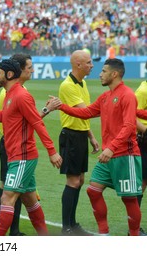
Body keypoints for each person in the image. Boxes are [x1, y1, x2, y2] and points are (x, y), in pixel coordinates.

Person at [0, 58, 62, 236]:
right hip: (16, 155)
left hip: (22, 156)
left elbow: (37, 122)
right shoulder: (10, 94)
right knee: (30, 201)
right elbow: (7, 117)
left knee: (7, 198)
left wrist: (52, 152)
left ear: (9, 74)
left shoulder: (21, 95)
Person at [54, 58, 142, 236]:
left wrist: (111, 148)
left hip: (126, 155)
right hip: (109, 156)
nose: (100, 74)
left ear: (114, 74)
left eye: (103, 71)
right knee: (93, 190)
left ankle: (134, 236)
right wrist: (61, 106)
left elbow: (129, 126)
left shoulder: (127, 95)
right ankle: (104, 234)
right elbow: (86, 112)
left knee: (129, 198)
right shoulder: (105, 96)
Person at [0, 53, 58, 236]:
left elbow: (30, 121)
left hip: (20, 150)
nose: (32, 70)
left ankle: (9, 235)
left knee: (12, 195)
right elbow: (21, 120)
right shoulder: (10, 93)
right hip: (11, 146)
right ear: (18, 71)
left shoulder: (18, 92)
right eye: (29, 67)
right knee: (14, 194)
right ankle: (16, 233)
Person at [58, 50, 100, 235]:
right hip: (71, 136)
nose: (92, 65)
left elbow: (84, 116)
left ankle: (72, 224)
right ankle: (67, 227)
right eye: (89, 62)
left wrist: (90, 136)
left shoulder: (82, 83)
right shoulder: (68, 86)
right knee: (73, 181)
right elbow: (87, 111)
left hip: (81, 135)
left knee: (80, 180)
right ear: (78, 64)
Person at [129, 61, 147, 235]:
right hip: (145, 140)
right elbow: (132, 115)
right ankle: (133, 228)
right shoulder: (143, 91)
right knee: (141, 183)